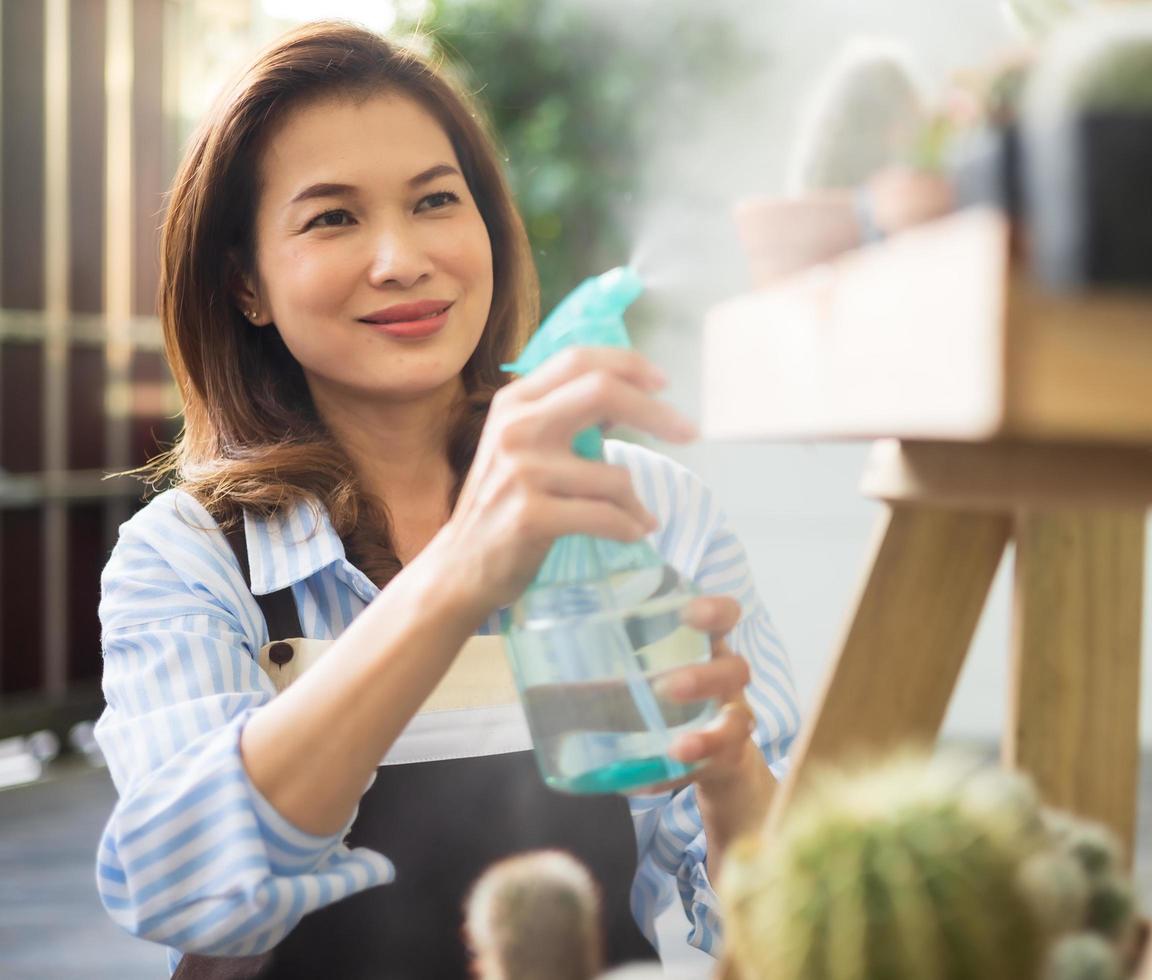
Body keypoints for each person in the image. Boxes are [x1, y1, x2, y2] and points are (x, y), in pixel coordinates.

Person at [93, 21, 800, 979]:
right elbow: (183, 891)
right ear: (246, 284)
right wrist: (462, 576)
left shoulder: (652, 511)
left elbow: (793, 921)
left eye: (436, 201)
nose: (402, 258)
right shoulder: (188, 557)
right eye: (332, 218)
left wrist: (729, 782)